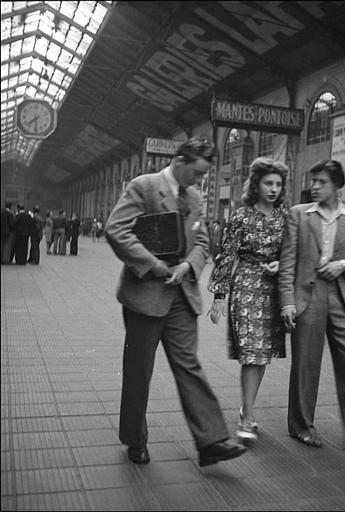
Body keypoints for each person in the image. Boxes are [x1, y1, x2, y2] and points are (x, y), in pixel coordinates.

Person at [105, 138, 247, 466]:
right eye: (196, 173)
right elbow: (116, 230)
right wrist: (151, 264)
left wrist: (189, 265)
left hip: (182, 294)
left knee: (189, 365)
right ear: (180, 161)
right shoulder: (144, 186)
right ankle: (135, 440)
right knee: (139, 370)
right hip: (146, 296)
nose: (199, 181)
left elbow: (201, 240)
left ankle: (211, 441)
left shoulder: (195, 196)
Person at [278, 159, 345, 461]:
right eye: (313, 181)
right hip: (308, 296)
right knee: (306, 364)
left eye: (322, 182)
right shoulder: (298, 215)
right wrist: (287, 301)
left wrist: (344, 265)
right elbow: (287, 262)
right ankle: (301, 426)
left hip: (343, 296)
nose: (315, 187)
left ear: (337, 185)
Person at [208, 157, 288, 443]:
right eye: (268, 183)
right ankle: (247, 416)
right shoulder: (241, 216)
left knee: (262, 353)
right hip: (246, 286)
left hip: (272, 290)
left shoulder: (284, 217)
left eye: (278, 184)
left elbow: (291, 254)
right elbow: (226, 254)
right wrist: (219, 295)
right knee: (250, 352)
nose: (274, 189)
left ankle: (247, 406)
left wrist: (279, 265)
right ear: (256, 184)